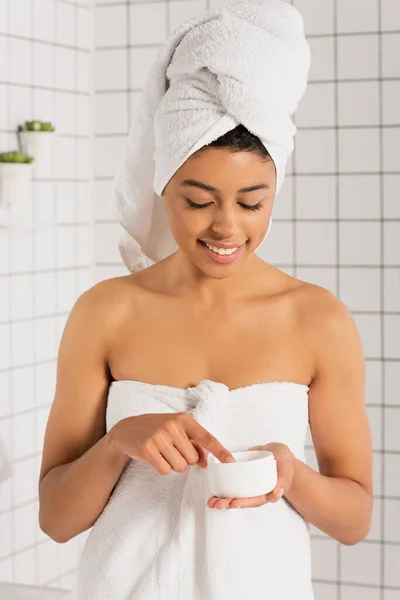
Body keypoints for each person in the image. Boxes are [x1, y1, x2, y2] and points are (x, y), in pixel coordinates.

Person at [38, 2, 373, 599]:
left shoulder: (317, 319)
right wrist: (121, 441)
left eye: (252, 203)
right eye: (197, 201)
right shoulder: (106, 311)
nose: (226, 228)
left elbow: (354, 520)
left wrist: (289, 474)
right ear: (164, 185)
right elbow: (57, 519)